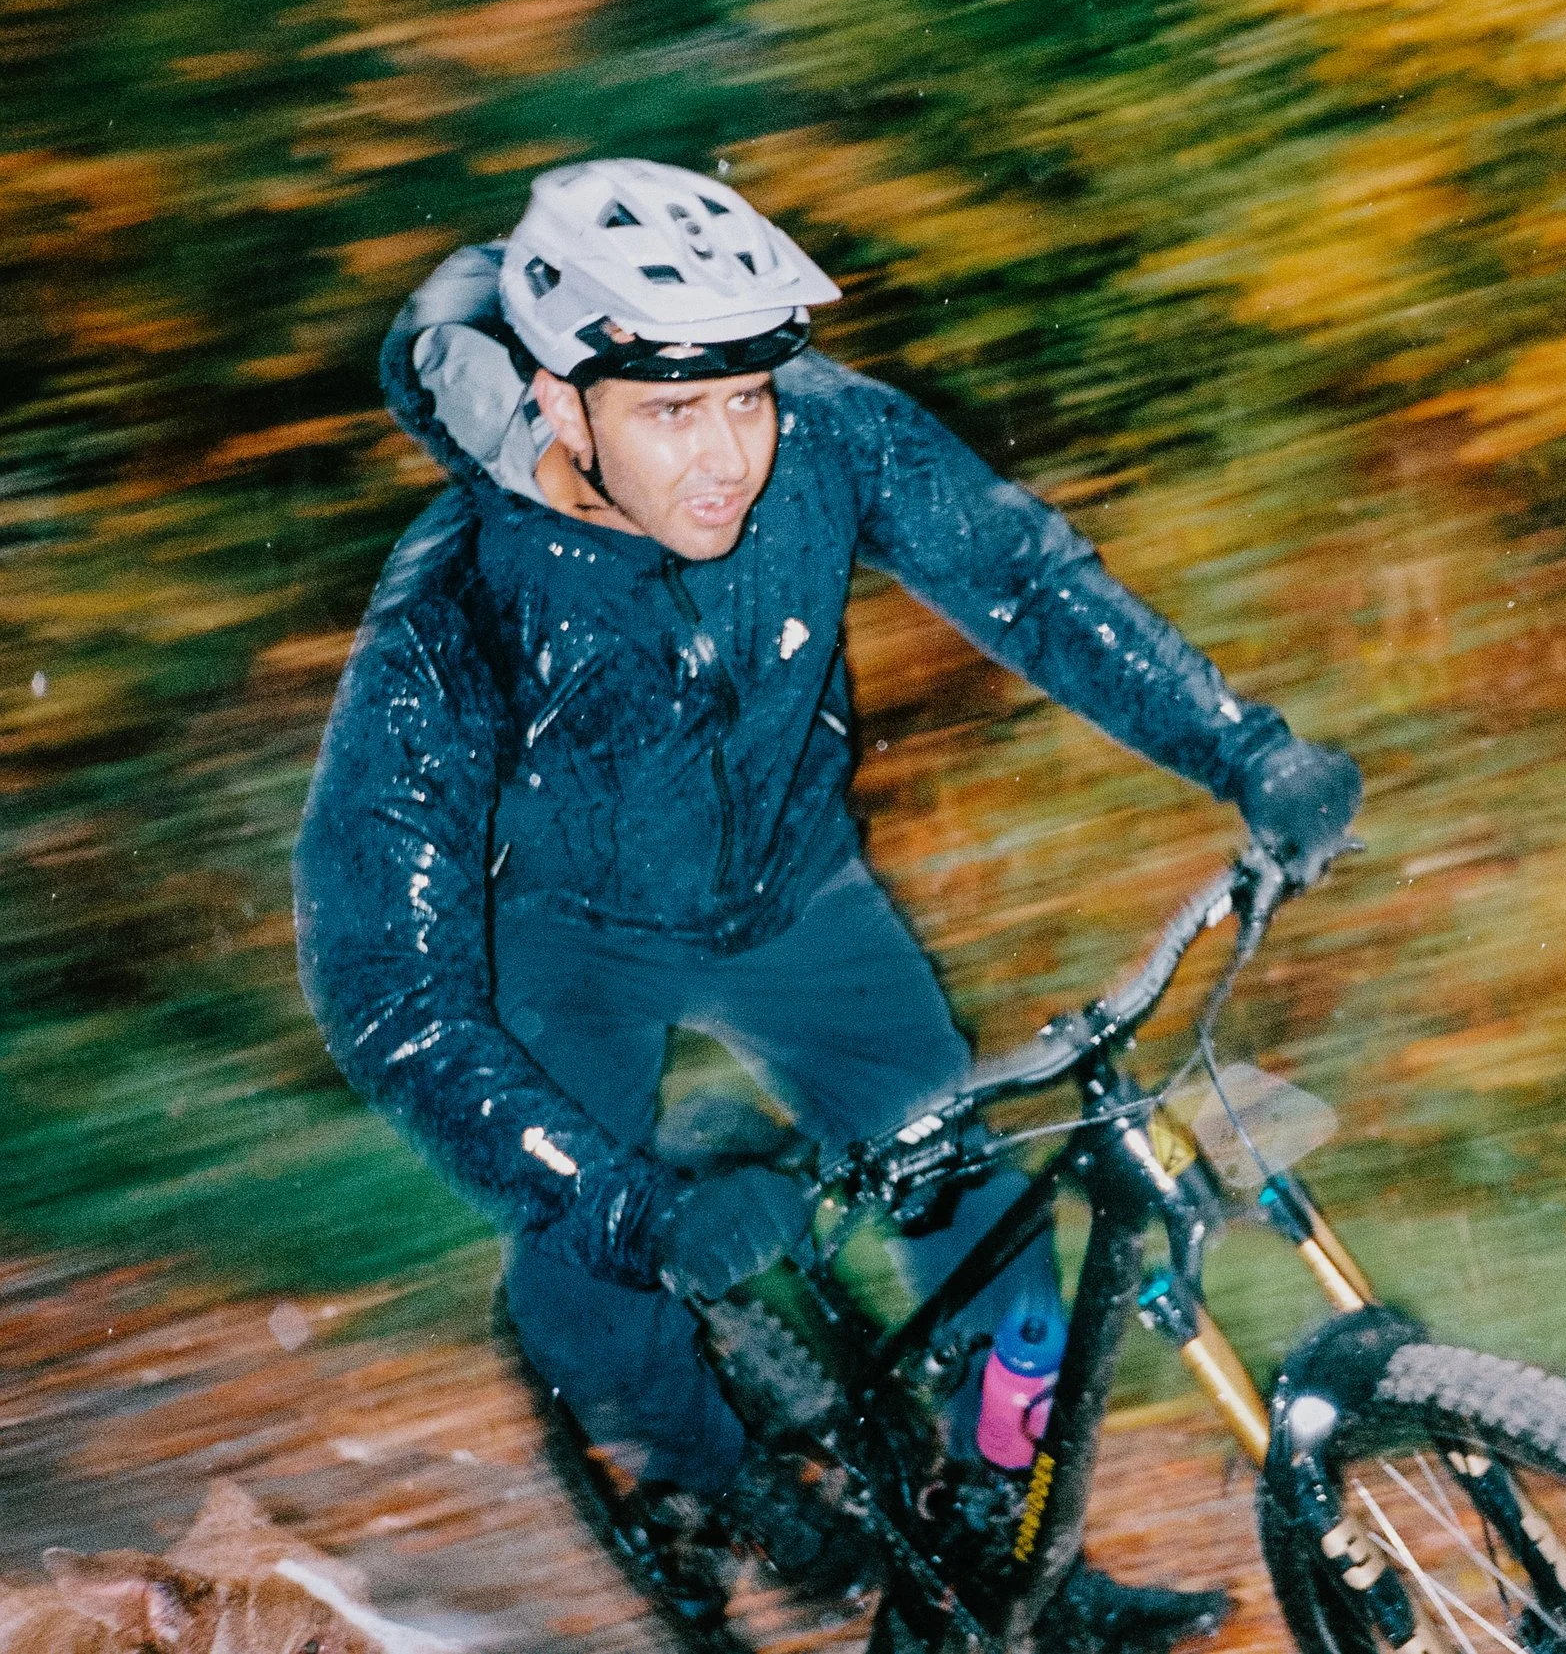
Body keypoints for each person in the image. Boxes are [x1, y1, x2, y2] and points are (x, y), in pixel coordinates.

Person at [290, 158, 1360, 1653]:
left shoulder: (823, 436)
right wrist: (629, 1204)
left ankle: (1011, 1550)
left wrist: (1243, 747)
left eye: (748, 399)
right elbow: (386, 984)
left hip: (798, 900)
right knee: (599, 1296)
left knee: (982, 1218)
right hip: (563, 942)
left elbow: (1025, 582)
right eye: (672, 412)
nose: (729, 454)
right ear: (558, 400)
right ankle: (711, 1478)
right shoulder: (460, 596)